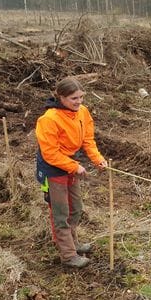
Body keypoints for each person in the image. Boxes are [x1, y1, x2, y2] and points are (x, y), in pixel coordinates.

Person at [35, 77, 108, 268]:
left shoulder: (82, 112)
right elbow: (50, 153)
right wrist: (74, 166)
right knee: (60, 212)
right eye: (74, 98)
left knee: (75, 207)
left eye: (81, 97)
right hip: (52, 168)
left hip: (69, 163)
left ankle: (73, 243)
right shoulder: (49, 119)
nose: (79, 102)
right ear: (61, 97)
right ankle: (67, 255)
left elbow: (88, 140)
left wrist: (97, 159)